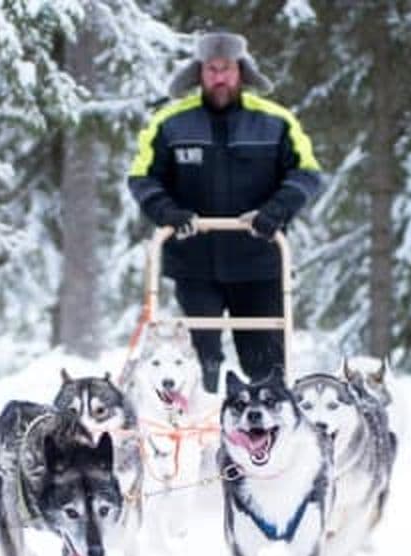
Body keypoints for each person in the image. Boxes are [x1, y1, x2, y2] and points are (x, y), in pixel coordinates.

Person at [128, 31, 322, 393]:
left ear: (241, 71)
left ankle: (269, 433)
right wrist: (168, 212)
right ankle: (201, 434)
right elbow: (142, 177)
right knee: (203, 359)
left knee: (264, 362)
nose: (220, 77)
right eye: (212, 69)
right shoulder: (169, 123)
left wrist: (275, 211)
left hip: (259, 259)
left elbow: (307, 173)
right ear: (199, 73)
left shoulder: (277, 122)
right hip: (194, 261)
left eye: (227, 69)